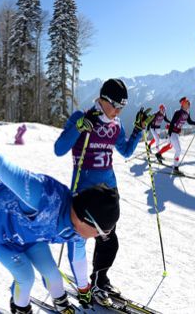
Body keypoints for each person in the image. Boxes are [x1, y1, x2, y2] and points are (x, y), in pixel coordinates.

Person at [0, 96, 120, 314]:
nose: (98, 236)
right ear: (86, 219)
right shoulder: (42, 196)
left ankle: (60, 300)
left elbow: (79, 258)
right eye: (100, 231)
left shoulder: (79, 230)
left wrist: (84, 288)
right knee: (25, 277)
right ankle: (20, 308)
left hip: (30, 236)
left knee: (53, 275)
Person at [54, 78, 152, 307]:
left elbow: (126, 151)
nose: (117, 111)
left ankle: (99, 281)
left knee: (109, 241)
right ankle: (82, 286)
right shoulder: (82, 117)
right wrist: (79, 127)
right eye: (115, 105)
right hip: (85, 193)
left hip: (109, 192)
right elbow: (59, 149)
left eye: (122, 108)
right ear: (102, 99)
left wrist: (138, 130)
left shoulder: (115, 124)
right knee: (79, 242)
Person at [155, 97, 195, 174]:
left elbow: (189, 121)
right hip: (172, 133)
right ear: (183, 104)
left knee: (170, 146)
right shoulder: (178, 113)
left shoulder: (187, 112)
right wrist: (169, 135)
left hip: (176, 134)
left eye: (189, 103)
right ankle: (175, 168)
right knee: (178, 150)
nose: (189, 104)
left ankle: (158, 154)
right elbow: (172, 124)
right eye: (187, 103)